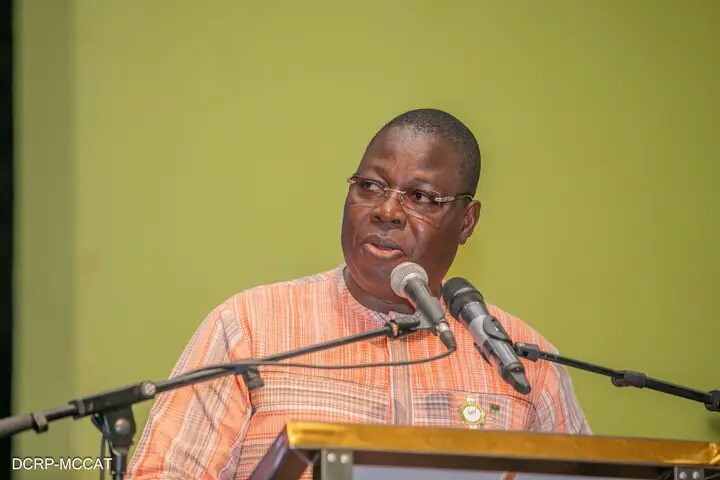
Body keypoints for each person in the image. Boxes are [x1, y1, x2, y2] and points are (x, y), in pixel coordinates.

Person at [125, 108, 591, 479]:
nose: (387, 211)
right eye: (370, 186)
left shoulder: (521, 361)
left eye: (419, 197)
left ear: (466, 222)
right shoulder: (250, 328)